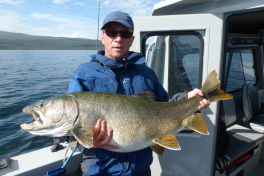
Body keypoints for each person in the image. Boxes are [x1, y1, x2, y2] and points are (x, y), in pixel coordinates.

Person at [68, 11, 210, 176]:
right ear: (103, 37)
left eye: (125, 33)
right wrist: (88, 142)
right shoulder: (84, 73)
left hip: (141, 170)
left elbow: (164, 104)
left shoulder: (146, 73)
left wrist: (187, 99)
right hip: (100, 170)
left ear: (132, 40)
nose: (119, 38)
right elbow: (69, 124)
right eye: (112, 32)